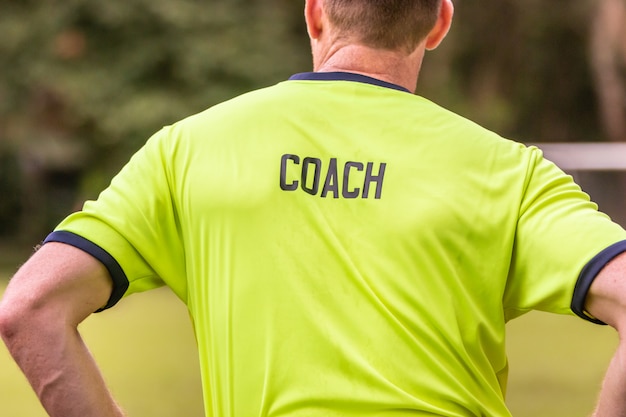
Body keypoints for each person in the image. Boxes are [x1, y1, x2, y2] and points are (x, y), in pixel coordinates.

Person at [1, 0, 626, 416]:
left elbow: (30, 309)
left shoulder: (188, 150)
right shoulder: (509, 174)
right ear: (439, 22)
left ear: (314, 14)